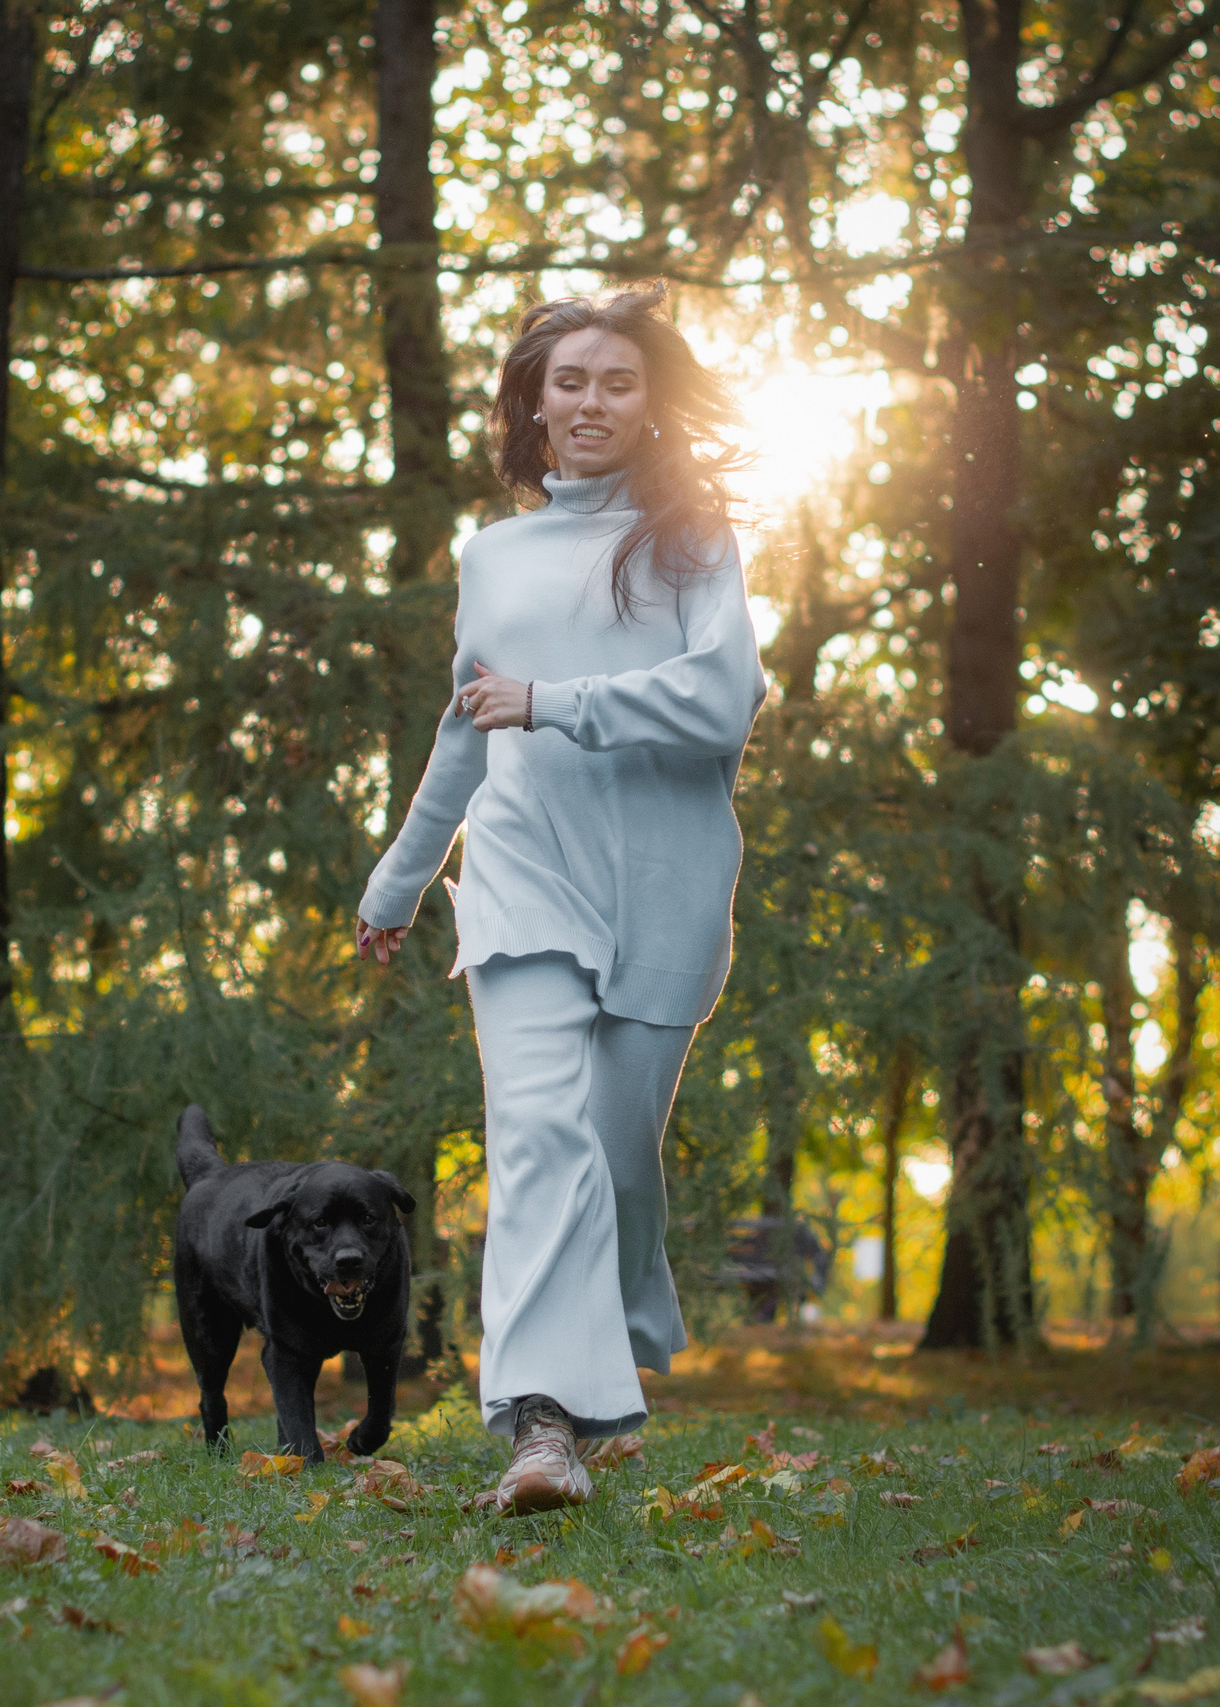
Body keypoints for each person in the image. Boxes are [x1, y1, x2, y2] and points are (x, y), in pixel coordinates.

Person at [354, 285, 766, 1515]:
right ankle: (543, 1425)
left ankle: (616, 1339)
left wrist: (559, 702)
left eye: (619, 382)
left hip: (663, 879)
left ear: (652, 406)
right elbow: (465, 724)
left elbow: (721, 702)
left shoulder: (694, 541)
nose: (591, 400)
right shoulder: (490, 554)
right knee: (538, 1140)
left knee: (616, 1158)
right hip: (523, 872)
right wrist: (402, 876)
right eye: (569, 380)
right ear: (534, 402)